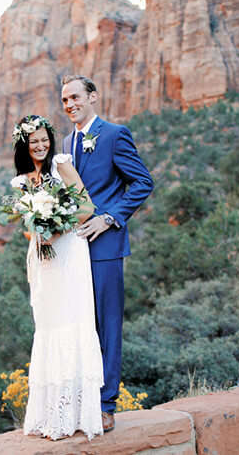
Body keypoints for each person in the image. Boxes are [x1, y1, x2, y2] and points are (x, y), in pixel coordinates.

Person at [61, 75, 153, 432]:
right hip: (74, 249)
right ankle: (83, 399)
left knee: (107, 326)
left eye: (75, 97)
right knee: (82, 325)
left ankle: (106, 405)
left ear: (93, 97)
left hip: (106, 247)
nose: (69, 104)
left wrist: (109, 218)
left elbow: (142, 181)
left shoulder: (115, 134)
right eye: (65, 99)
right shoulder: (68, 141)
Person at [11, 115, 104, 441]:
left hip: (70, 254)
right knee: (49, 326)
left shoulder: (61, 165)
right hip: (43, 260)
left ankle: (79, 415)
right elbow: (25, 226)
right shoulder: (20, 183)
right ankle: (54, 415)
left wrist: (57, 228)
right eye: (33, 141)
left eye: (44, 139)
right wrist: (37, 234)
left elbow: (87, 207)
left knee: (74, 321)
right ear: (24, 144)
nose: (41, 146)